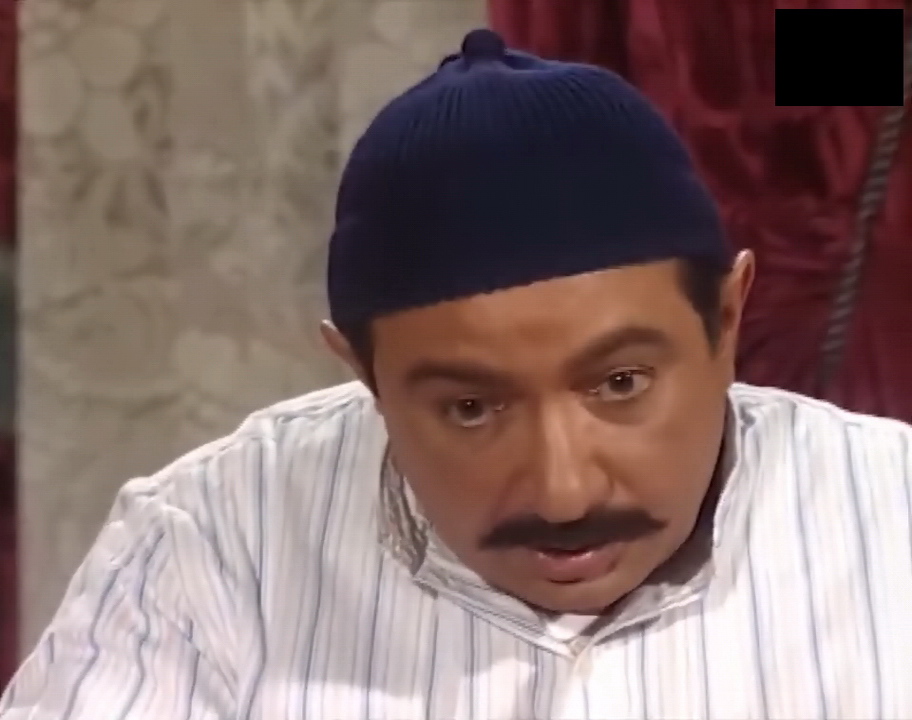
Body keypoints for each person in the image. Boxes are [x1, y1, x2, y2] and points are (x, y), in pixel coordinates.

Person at [2, 28, 911, 720]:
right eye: (472, 408)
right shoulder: (210, 547)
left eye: (621, 384)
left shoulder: (892, 518)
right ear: (364, 373)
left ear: (727, 317)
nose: (563, 492)